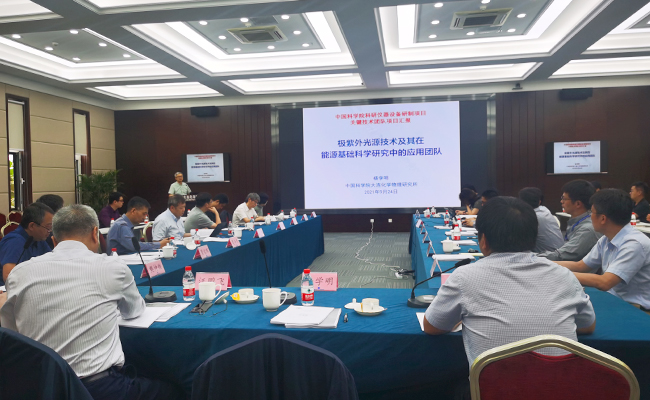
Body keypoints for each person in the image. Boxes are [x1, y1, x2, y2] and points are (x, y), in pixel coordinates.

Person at [0, 205, 183, 400]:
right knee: (175, 390)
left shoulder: (19, 273)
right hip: (100, 388)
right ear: (96, 233)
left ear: (53, 240)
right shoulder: (112, 267)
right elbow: (134, 311)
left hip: (38, 388)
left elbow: (11, 333)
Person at [423, 197, 596, 398]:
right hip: (557, 392)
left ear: (483, 240)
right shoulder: (564, 276)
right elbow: (587, 326)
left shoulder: (464, 277)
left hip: (495, 392)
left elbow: (432, 326)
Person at [557, 189, 650, 313]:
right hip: (615, 300)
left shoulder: (634, 244)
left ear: (603, 218)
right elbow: (581, 266)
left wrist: (556, 273)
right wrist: (545, 264)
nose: (590, 216)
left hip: (637, 310)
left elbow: (605, 282)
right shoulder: (606, 238)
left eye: (592, 212)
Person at [538, 180, 601, 261]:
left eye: (564, 199)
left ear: (578, 204)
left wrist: (532, 258)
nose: (561, 201)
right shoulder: (577, 220)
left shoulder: (587, 229)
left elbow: (561, 256)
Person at [0, 203, 53, 285]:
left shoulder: (39, 239)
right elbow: (8, 277)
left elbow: (52, 263)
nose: (50, 231)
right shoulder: (14, 241)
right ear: (32, 226)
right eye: (48, 227)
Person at [519, 187, 564, 253]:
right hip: (561, 252)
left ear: (521, 202)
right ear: (540, 202)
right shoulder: (544, 210)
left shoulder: (531, 217)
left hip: (549, 256)